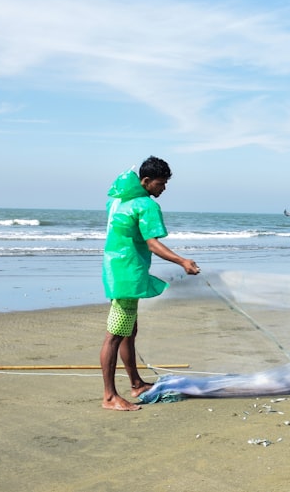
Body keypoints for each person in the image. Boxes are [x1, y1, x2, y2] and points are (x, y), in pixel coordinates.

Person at [100, 156, 200, 411]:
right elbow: (152, 243)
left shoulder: (118, 200)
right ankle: (110, 397)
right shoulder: (145, 205)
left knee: (128, 331)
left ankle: (135, 383)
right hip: (128, 274)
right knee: (114, 335)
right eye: (161, 183)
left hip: (115, 270)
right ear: (146, 181)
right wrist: (182, 261)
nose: (163, 188)